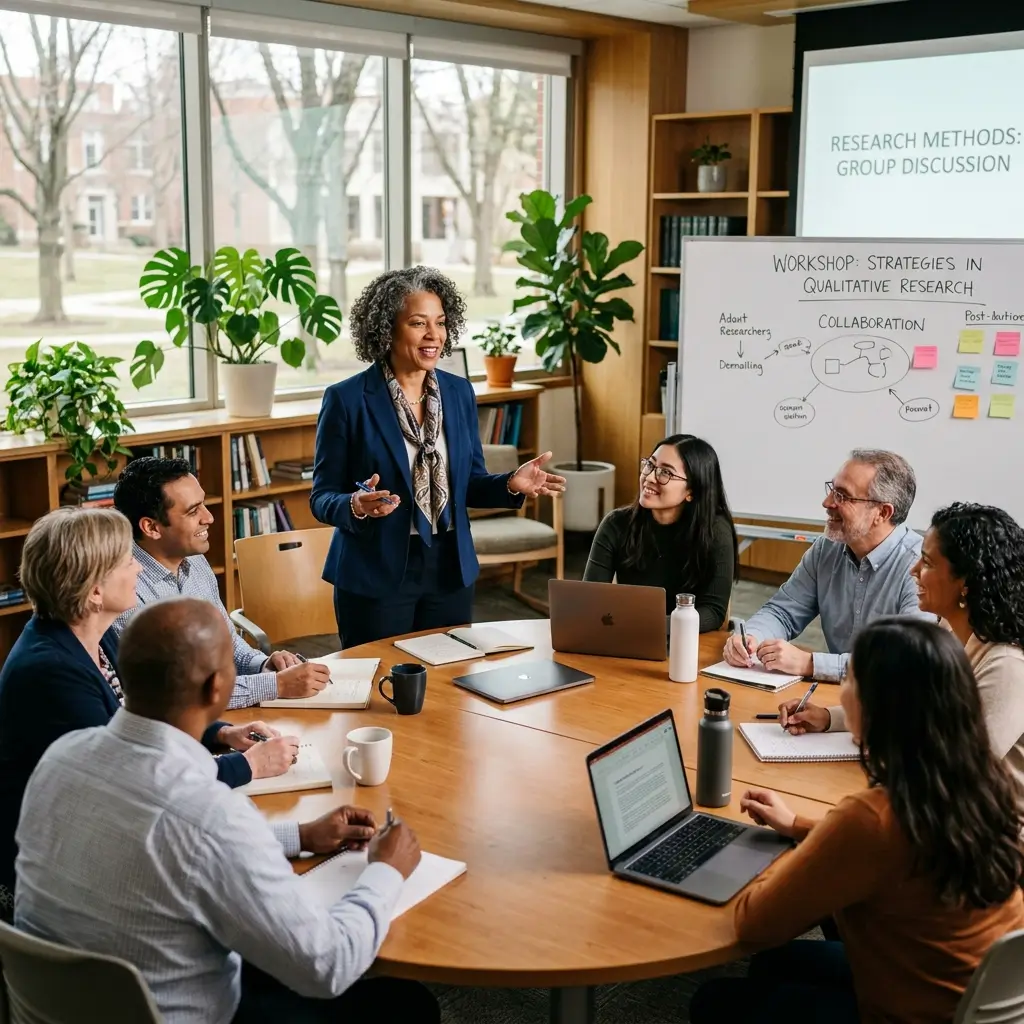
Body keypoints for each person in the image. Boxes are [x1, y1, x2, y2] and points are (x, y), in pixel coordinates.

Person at [14, 598, 439, 1023]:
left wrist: (300, 836)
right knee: (408, 1005)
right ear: (218, 688)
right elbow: (329, 966)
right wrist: (387, 869)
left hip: (59, 1003)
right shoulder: (208, 815)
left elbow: (167, 847)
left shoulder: (59, 758)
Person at [690, 617, 1024, 1024]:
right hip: (966, 992)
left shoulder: (873, 817)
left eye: (850, 681)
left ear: (875, 706)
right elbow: (894, 850)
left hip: (912, 1011)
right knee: (775, 965)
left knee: (715, 1000)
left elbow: (752, 922)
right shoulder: (978, 786)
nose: (842, 692)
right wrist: (798, 824)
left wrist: (754, 861)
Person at [0, 508, 294, 922]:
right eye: (125, 560)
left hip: (98, 830)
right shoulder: (51, 673)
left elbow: (137, 716)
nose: (138, 565)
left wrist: (222, 734)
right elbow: (139, 781)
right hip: (63, 872)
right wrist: (244, 767)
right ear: (95, 591)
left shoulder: (93, 636)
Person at [310, 266, 565, 647]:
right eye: (418, 323)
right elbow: (322, 496)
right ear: (386, 330)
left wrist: (511, 484)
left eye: (441, 322)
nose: (434, 335)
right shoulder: (346, 400)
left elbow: (471, 483)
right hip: (376, 570)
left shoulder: (459, 393)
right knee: (380, 685)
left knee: (450, 689)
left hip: (449, 567)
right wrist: (356, 505)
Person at [782, 502, 1024, 793]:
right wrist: (828, 718)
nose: (914, 570)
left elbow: (960, 768)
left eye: (928, 563)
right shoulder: (947, 628)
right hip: (932, 805)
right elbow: (902, 707)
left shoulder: (1008, 665)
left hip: (988, 829)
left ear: (966, 582)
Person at [112, 456, 330, 707]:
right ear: (151, 527)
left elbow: (227, 643)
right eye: (193, 511)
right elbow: (174, 690)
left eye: (203, 504)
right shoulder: (122, 589)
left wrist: (264, 665)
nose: (209, 518)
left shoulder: (195, 561)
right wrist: (276, 685)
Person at [723, 449, 926, 680]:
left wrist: (811, 664)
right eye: (832, 490)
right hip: (836, 697)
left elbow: (907, 661)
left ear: (882, 512)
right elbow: (783, 612)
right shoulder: (827, 548)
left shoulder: (921, 566)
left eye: (842, 496)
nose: (827, 502)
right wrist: (750, 638)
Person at [583, 434, 737, 630]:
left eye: (666, 473)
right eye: (650, 465)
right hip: (627, 637)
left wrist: (649, 626)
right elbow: (590, 599)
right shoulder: (616, 524)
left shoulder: (714, 531)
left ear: (692, 490)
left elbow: (713, 611)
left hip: (687, 643)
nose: (649, 477)